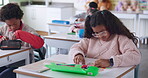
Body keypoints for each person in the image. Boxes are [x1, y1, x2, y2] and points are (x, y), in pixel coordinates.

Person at [68, 10, 141, 68]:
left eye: (103, 32)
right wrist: (78, 54)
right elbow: (75, 47)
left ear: (110, 27)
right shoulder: (91, 38)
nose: (100, 36)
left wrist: (110, 62)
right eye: (96, 33)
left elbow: (135, 56)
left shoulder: (120, 38)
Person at [0, 3, 44, 78]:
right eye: (9, 25)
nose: (12, 27)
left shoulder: (29, 30)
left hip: (22, 66)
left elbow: (40, 43)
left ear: (20, 18)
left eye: (14, 24)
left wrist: (22, 34)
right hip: (6, 63)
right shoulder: (4, 28)